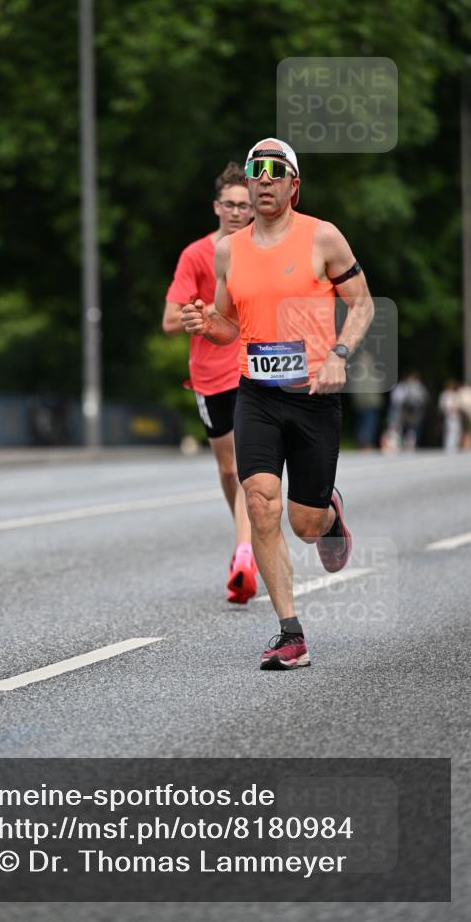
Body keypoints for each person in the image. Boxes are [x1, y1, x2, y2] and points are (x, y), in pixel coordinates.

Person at [182, 138, 374, 670]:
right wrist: (206, 324)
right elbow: (226, 327)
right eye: (255, 170)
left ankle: (329, 518)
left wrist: (339, 353)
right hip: (256, 395)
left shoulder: (323, 237)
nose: (264, 179)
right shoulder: (230, 250)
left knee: (303, 524)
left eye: (275, 170)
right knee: (261, 504)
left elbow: (361, 305)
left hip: (314, 396)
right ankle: (291, 634)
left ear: (294, 184)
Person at [163, 162, 258, 603]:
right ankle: (245, 539)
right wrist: (193, 319)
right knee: (227, 469)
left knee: (246, 467)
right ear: (217, 207)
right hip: (209, 374)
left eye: (246, 204)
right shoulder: (196, 255)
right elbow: (168, 320)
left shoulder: (263, 250)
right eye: (231, 205)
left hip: (253, 367)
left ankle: (246, 553)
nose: (238, 212)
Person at [438, 379, 462, 452]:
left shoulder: (456, 394)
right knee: (449, 431)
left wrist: (456, 409)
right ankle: (448, 447)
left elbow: (459, 404)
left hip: (456, 415)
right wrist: (449, 410)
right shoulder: (444, 394)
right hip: (448, 416)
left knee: (457, 430)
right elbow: (443, 406)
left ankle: (455, 446)